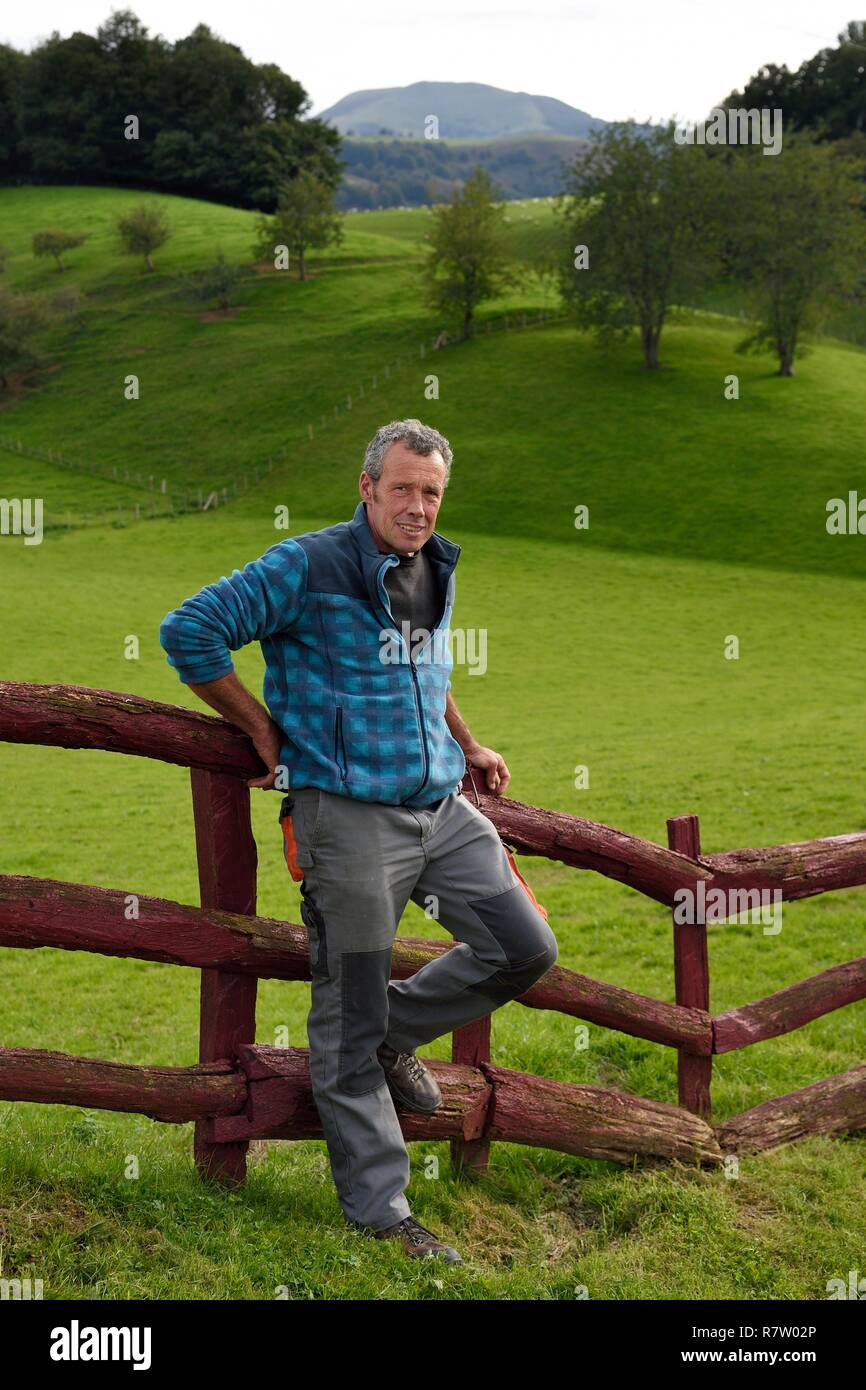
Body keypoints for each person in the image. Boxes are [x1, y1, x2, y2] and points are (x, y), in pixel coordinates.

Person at [159, 418, 558, 1265]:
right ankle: (382, 1211)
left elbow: (423, 667)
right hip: (347, 818)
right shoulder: (307, 565)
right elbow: (188, 632)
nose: (418, 507)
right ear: (369, 486)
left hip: (440, 810)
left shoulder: (428, 565)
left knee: (523, 946)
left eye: (433, 493)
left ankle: (392, 1033)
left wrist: (470, 741)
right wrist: (264, 734)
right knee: (345, 1012)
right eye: (405, 488)